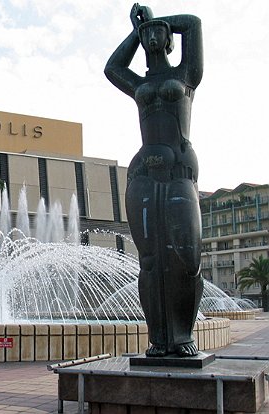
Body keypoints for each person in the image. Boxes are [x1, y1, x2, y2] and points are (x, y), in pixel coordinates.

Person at [104, 4, 204, 357]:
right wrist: (137, 32)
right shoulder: (140, 84)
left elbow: (192, 23)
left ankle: (182, 335)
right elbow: (112, 68)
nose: (152, 37)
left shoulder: (186, 75)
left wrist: (157, 21)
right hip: (145, 172)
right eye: (147, 35)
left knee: (186, 257)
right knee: (150, 260)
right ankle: (159, 339)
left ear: (169, 38)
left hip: (179, 171)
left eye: (157, 34)